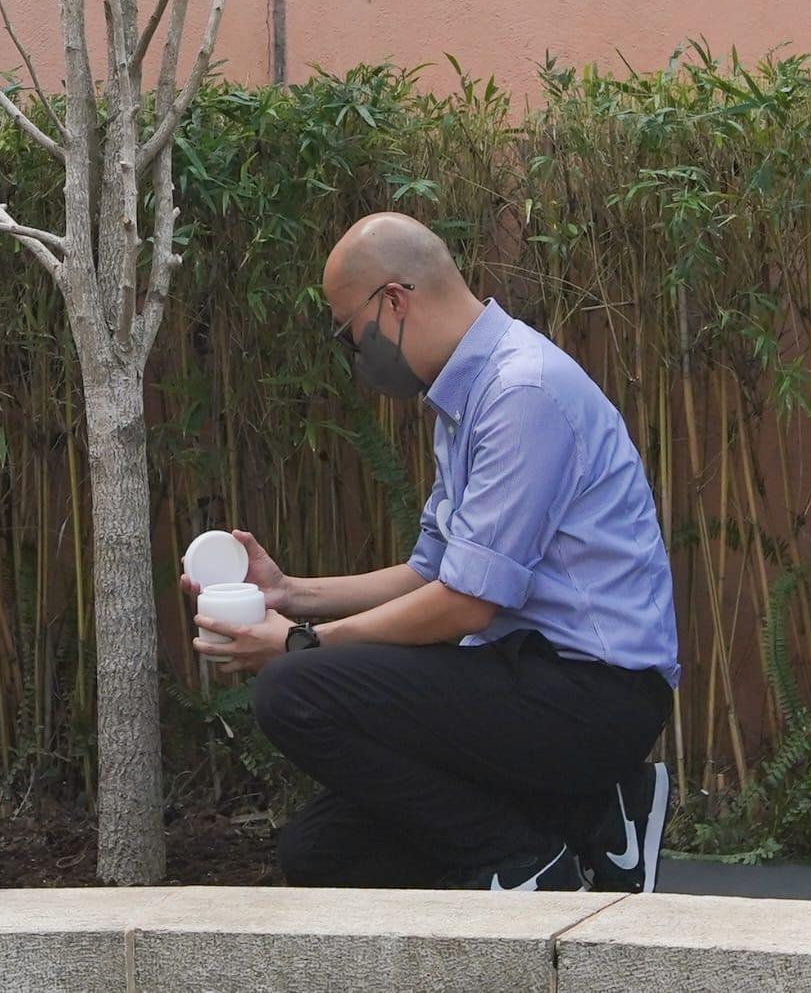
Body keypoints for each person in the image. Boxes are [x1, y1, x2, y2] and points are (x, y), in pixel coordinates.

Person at [184, 212, 680, 892]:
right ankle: (595, 815)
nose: (353, 354)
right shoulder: (465, 396)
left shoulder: (521, 391)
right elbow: (431, 571)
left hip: (593, 693)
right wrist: (288, 593)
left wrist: (302, 643)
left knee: (293, 691)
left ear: (393, 301)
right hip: (523, 678)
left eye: (346, 332)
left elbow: (467, 604)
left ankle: (528, 864)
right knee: (320, 852)